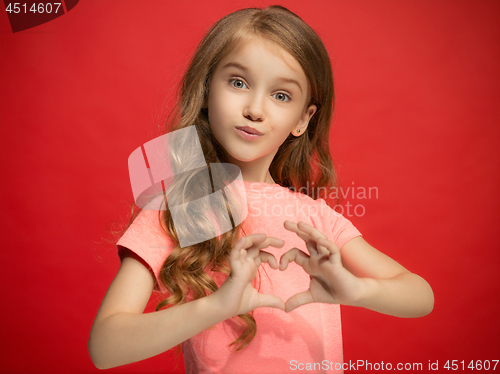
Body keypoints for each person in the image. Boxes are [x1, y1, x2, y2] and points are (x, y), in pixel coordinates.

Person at [88, 5, 434, 373]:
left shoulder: (314, 217)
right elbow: (105, 347)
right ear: (206, 89)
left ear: (303, 119)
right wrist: (218, 305)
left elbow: (420, 295)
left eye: (281, 95)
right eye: (238, 82)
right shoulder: (179, 209)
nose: (255, 109)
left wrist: (357, 290)